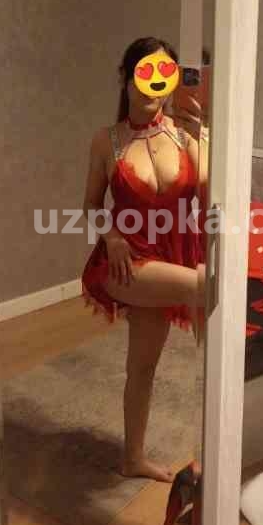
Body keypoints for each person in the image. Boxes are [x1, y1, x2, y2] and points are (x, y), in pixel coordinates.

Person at [82, 37, 205, 483]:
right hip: (126, 263)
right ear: (126, 77)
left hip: (174, 257)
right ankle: (223, 439)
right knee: (210, 287)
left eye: (165, 74)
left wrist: (202, 138)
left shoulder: (186, 134)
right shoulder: (107, 141)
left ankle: (132, 459)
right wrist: (111, 234)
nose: (155, 84)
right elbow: (91, 204)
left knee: (142, 365)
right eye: (145, 72)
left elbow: (212, 197)